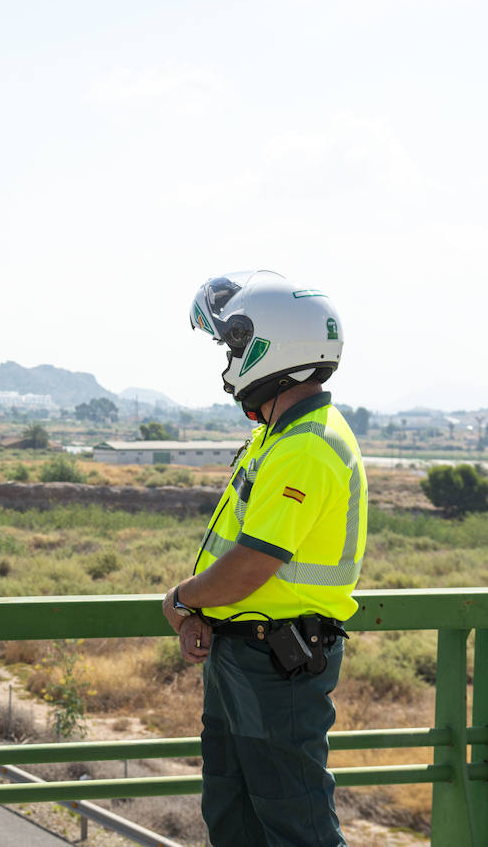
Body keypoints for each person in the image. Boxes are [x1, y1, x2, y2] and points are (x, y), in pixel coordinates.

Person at [164, 270, 367, 847]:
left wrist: (183, 600)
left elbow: (254, 563)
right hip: (246, 650)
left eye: (233, 344)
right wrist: (209, 615)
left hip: (278, 664)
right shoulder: (277, 434)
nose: (228, 358)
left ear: (269, 349)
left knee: (295, 824)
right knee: (235, 816)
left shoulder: (305, 446)